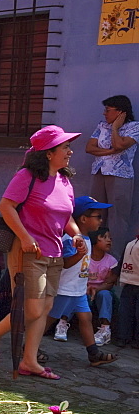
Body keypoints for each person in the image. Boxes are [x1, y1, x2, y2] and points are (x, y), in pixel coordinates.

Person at [0, 125, 86, 380]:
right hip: (28, 251)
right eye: (65, 147)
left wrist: (77, 234)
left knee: (44, 308)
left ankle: (29, 361)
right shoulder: (27, 176)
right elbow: (6, 206)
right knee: (32, 309)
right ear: (49, 153)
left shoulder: (64, 179)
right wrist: (25, 237)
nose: (70, 151)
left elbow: (65, 215)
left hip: (54, 253)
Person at [45, 197, 116, 365]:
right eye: (97, 216)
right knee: (49, 319)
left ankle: (93, 354)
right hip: (65, 289)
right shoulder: (70, 240)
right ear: (83, 219)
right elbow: (65, 263)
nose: (101, 220)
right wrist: (79, 254)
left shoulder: (86, 240)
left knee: (86, 318)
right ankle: (28, 347)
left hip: (78, 290)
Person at [85, 95, 138, 260]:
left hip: (120, 175)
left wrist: (115, 128)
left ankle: (113, 259)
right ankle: (94, 255)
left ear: (120, 112)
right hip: (100, 172)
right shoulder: (101, 125)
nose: (104, 113)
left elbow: (120, 145)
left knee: (118, 217)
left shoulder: (134, 127)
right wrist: (109, 152)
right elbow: (89, 147)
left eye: (108, 110)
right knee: (96, 212)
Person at [87, 226, 117, 345]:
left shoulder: (112, 261)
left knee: (105, 295)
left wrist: (96, 289)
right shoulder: (85, 258)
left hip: (101, 291)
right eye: (104, 237)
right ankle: (62, 323)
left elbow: (110, 283)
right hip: (84, 290)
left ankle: (105, 330)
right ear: (94, 239)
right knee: (74, 295)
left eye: (110, 238)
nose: (109, 240)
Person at [115, 232, 139, 348]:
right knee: (125, 312)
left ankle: (127, 338)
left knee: (129, 312)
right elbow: (121, 263)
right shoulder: (130, 243)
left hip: (131, 282)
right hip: (128, 283)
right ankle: (124, 337)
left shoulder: (130, 243)